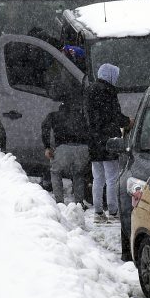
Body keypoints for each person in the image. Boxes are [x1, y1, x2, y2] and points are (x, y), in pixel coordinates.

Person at [85, 64, 131, 221]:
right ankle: (113, 210)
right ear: (110, 75)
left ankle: (98, 211)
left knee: (97, 178)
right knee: (112, 178)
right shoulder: (108, 91)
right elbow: (114, 115)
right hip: (108, 140)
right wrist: (127, 122)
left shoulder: (90, 90)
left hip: (93, 139)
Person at [41, 98, 92, 205]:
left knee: (55, 172)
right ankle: (79, 203)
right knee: (78, 174)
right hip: (83, 148)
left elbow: (45, 127)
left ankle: (59, 202)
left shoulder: (54, 115)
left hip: (63, 148)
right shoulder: (82, 117)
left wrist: (47, 147)